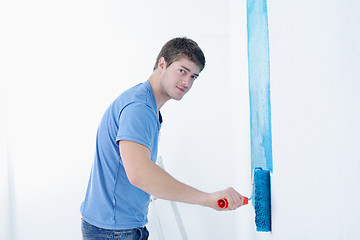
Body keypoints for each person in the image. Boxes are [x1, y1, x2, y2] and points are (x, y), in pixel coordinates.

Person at [80, 37, 246, 240]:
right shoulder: (139, 108)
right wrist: (207, 199)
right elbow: (139, 173)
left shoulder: (146, 105)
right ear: (162, 63)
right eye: (182, 71)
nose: (187, 82)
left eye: (194, 76)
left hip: (117, 226)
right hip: (114, 231)